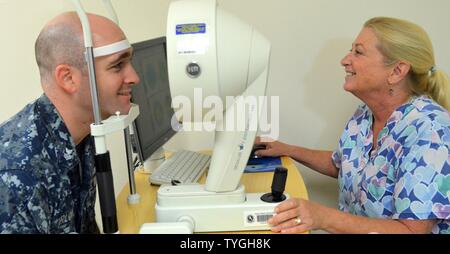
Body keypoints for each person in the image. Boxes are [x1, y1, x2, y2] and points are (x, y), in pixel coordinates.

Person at [256, 17, 450, 234]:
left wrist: (322, 217)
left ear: (397, 71)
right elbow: (343, 164)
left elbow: (412, 231)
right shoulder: (365, 114)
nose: (345, 60)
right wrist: (287, 149)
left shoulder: (432, 131)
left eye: (358, 52)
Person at [0, 12, 140, 233]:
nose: (134, 77)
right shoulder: (19, 176)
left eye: (129, 62)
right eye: (117, 65)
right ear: (68, 78)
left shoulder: (81, 137)